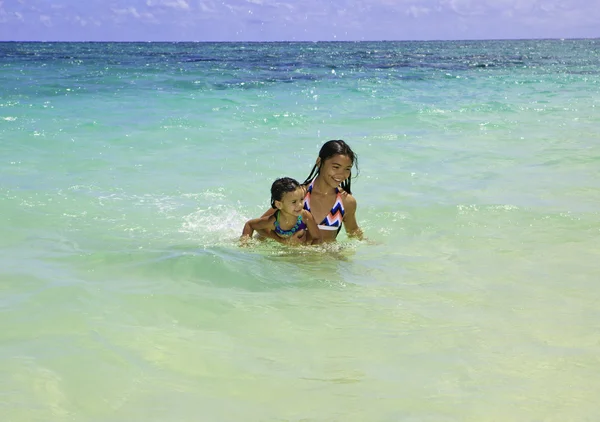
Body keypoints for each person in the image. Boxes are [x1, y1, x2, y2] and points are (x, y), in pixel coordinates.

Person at [259, 140, 363, 243]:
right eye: (336, 167)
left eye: (347, 169)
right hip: (291, 258)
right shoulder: (299, 195)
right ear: (319, 162)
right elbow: (260, 228)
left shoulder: (346, 202)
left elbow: (353, 232)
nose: (341, 174)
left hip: (325, 258)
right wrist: (282, 241)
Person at [241, 177, 322, 245]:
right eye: (294, 202)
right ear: (279, 205)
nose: (300, 205)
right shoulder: (274, 222)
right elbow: (250, 225)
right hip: (267, 240)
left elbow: (317, 238)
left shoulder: (305, 216)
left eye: (301, 199)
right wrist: (244, 244)